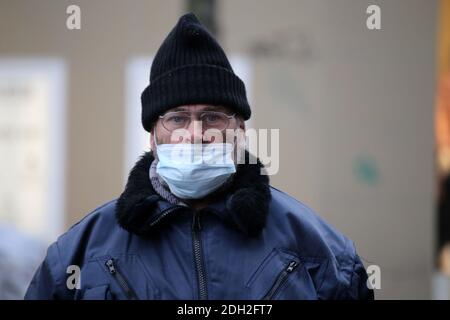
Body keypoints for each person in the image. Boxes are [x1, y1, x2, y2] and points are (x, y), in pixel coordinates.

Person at [25, 13, 373, 300]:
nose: (194, 134)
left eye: (213, 117)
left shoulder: (321, 253)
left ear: (241, 130)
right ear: (153, 136)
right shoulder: (79, 256)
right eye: (177, 118)